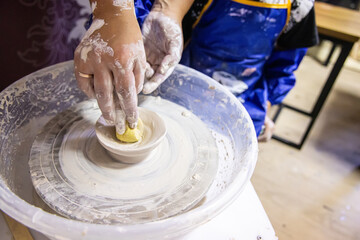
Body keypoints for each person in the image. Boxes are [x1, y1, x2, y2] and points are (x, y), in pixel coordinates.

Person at [74, 0, 318, 140]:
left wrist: (266, 104)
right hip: (177, 93)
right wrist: (126, 33)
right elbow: (137, 13)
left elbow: (286, 62)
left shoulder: (299, 5)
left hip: (244, 99)